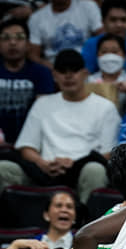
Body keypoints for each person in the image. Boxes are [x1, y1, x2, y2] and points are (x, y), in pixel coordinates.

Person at [0, 49, 119, 203]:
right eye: (62, 71)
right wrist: (42, 163)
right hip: (43, 171)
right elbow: (27, 147)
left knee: (95, 170)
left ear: (85, 74)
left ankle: (86, 218)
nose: (68, 76)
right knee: (3, 168)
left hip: (83, 169)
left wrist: (73, 164)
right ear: (55, 76)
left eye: (74, 71)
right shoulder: (42, 104)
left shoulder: (105, 107)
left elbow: (108, 153)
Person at [27, 0, 102, 67]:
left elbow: (103, 39)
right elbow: (33, 55)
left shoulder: (89, 7)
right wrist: (52, 69)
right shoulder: (36, 18)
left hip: (86, 66)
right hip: (53, 68)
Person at [0, 18, 54, 143]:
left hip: (31, 141)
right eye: (6, 38)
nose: (12, 43)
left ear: (28, 44)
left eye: (19, 37)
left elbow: (43, 113)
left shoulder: (42, 73)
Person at [86, 34, 126, 114]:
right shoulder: (87, 82)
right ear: (97, 55)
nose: (109, 56)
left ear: (124, 56)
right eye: (104, 52)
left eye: (115, 52)